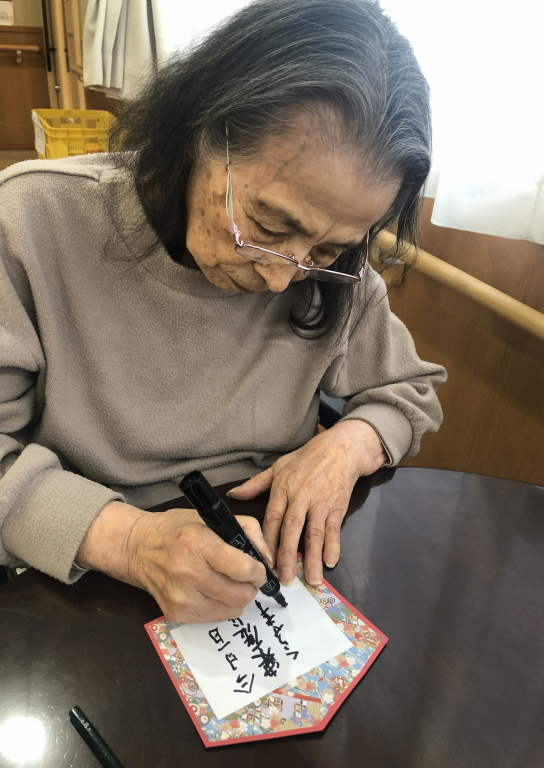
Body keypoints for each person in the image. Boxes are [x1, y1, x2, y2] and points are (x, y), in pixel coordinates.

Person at [0, 0, 446, 623]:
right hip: (83, 574)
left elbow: (409, 392)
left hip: (258, 565)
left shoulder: (332, 272)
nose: (282, 277)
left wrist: (350, 442)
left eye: (328, 249)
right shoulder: (32, 223)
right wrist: (129, 542)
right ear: (199, 130)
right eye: (269, 225)